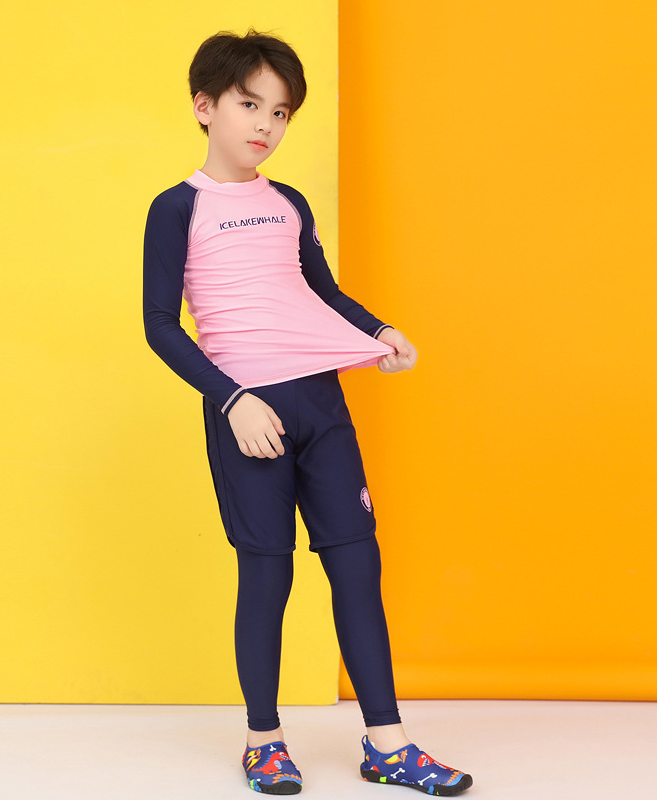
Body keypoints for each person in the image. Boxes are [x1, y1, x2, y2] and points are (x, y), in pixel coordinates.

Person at [143, 27, 473, 797]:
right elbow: (160, 324)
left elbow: (321, 293)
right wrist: (232, 399)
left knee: (358, 566)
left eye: (281, 112)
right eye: (249, 104)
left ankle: (388, 746)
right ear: (204, 106)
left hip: (323, 404)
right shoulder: (178, 207)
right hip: (249, 416)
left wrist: (378, 331)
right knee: (269, 574)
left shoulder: (288, 202)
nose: (266, 124)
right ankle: (264, 741)